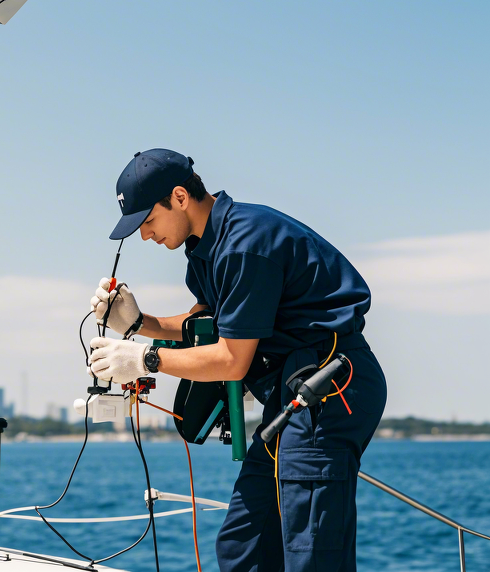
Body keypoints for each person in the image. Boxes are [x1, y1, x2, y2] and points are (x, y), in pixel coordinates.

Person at [87, 148, 386, 572]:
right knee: (243, 544)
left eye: (148, 221)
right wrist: (138, 322)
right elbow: (208, 323)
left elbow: (231, 360)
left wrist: (144, 360)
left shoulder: (245, 244)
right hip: (293, 395)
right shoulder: (208, 246)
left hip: (331, 387)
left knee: (311, 554)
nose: (145, 237)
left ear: (178, 197)